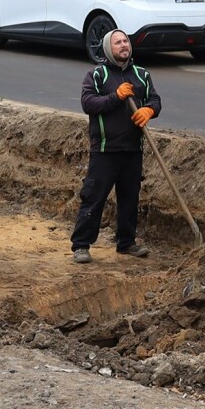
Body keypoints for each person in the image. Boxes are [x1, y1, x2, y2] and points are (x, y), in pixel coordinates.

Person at [70, 29, 160, 264]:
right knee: (94, 197)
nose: (123, 45)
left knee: (130, 198)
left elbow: (155, 99)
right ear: (109, 48)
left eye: (125, 41)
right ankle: (81, 245)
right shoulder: (97, 75)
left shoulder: (141, 75)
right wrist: (116, 97)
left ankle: (126, 242)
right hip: (104, 149)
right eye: (118, 42)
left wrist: (149, 110)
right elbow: (88, 103)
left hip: (133, 149)